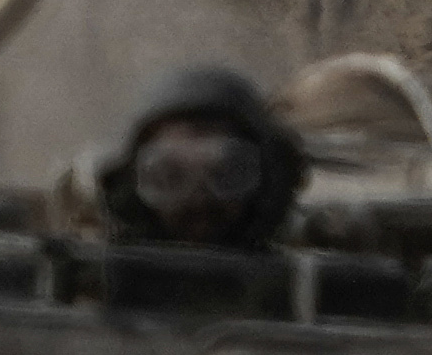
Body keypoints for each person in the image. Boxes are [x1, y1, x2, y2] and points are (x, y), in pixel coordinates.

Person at [93, 64, 307, 252]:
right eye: (170, 178)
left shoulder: (306, 284)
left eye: (227, 174)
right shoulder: (97, 280)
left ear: (266, 182)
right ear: (133, 185)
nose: (199, 201)